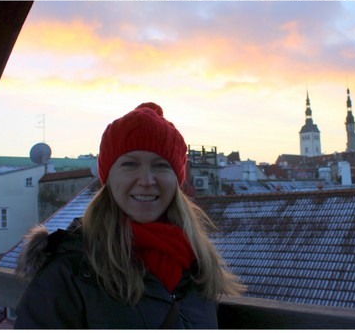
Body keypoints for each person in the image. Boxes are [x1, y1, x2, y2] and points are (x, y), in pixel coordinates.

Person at [15, 102, 243, 328]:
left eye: (161, 165)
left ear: (177, 179)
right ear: (108, 179)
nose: (146, 180)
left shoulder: (198, 266)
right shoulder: (71, 270)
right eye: (130, 164)